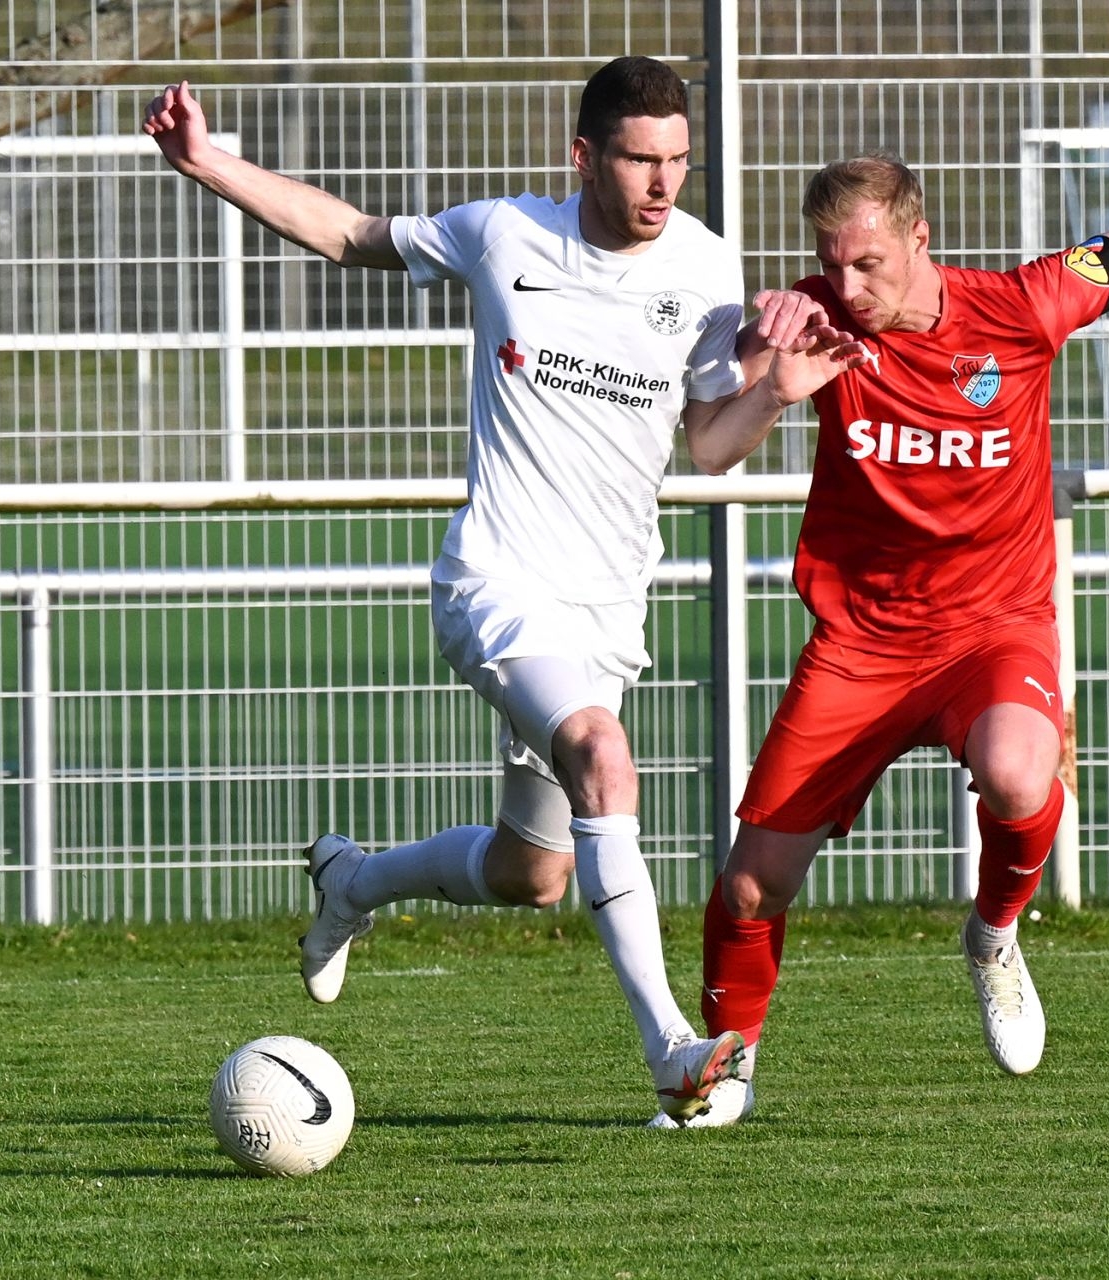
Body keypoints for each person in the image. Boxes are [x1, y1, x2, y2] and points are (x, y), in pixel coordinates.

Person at [141, 58, 862, 1122]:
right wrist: (208, 162)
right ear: (584, 155)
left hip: (605, 610)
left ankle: (354, 881)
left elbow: (707, 445)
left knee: (534, 871)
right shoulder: (504, 234)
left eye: (676, 161)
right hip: (498, 578)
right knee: (603, 755)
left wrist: (777, 392)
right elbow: (353, 235)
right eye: (638, 159)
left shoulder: (708, 266)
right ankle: (669, 1047)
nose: (662, 184)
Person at [662, 153, 1109, 1128]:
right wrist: (774, 381)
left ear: (918, 240)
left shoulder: (1025, 305)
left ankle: (992, 934)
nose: (847, 287)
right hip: (864, 640)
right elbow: (710, 449)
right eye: (830, 264)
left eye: (867, 265)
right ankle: (725, 1071)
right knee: (746, 885)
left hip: (995, 623)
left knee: (1023, 774)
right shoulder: (812, 317)